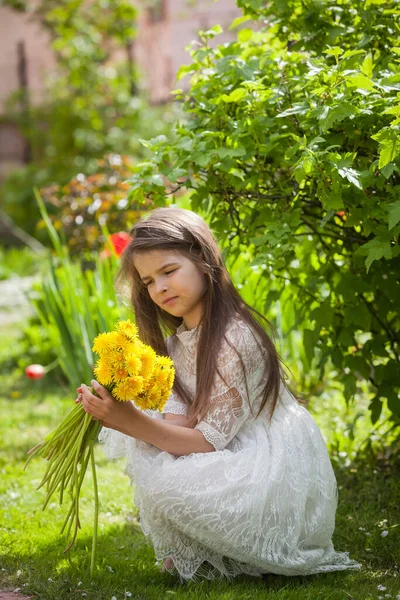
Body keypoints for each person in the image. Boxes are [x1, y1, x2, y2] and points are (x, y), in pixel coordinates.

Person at [78, 207, 360, 581]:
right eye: (147, 281)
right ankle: (201, 548)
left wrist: (131, 422)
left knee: (151, 453)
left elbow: (209, 442)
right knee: (148, 447)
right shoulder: (176, 344)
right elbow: (177, 424)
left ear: (203, 260)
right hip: (222, 445)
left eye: (168, 271)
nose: (159, 288)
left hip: (267, 463)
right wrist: (125, 409)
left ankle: (245, 550)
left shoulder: (235, 337)